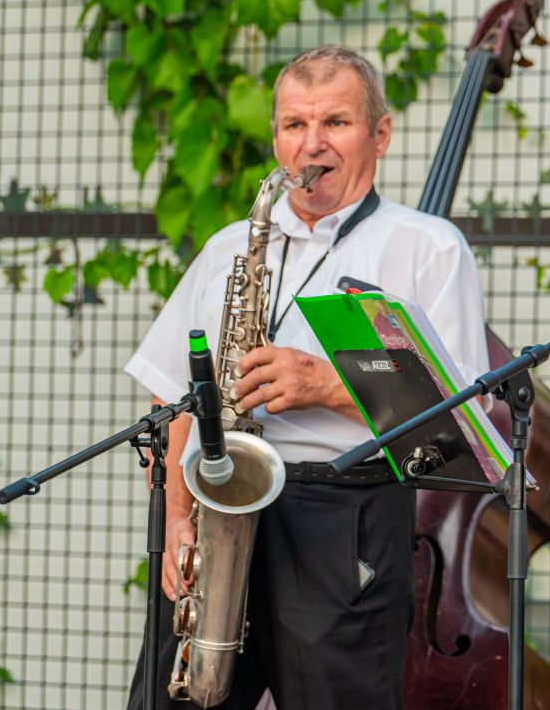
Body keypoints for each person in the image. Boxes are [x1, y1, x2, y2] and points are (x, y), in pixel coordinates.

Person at [125, 45, 490, 710]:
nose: (311, 145)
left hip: (344, 521)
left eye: (335, 123)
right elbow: (174, 395)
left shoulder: (428, 247)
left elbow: (463, 417)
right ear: (275, 139)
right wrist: (178, 520)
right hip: (218, 519)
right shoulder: (229, 246)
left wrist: (327, 385)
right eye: (294, 125)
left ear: (380, 135)